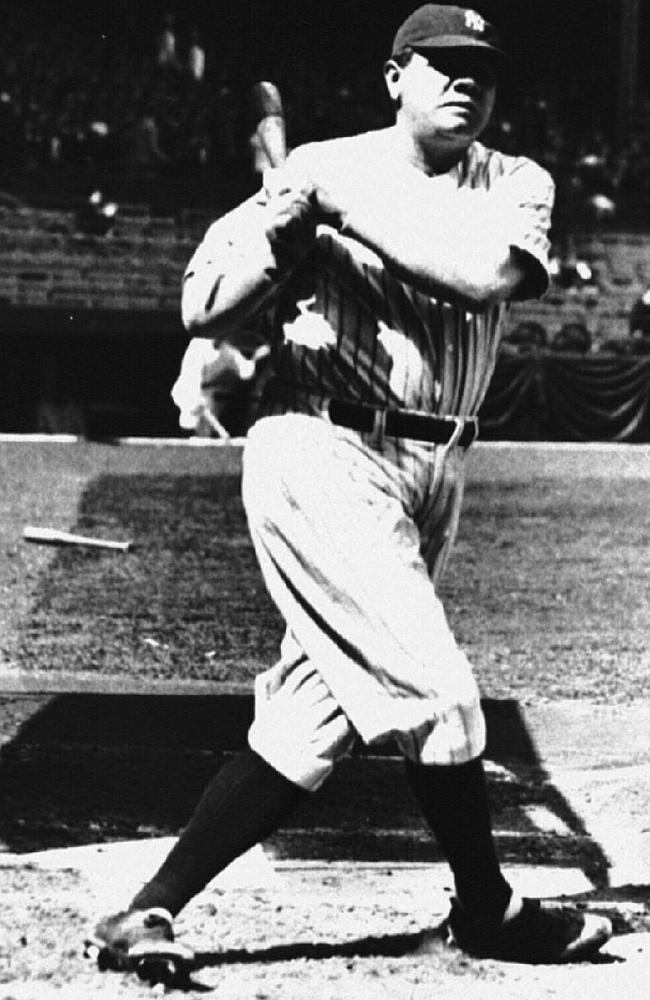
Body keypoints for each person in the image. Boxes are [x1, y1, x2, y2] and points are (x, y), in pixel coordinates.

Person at [87, 4, 612, 981]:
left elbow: (479, 277)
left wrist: (326, 208)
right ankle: (486, 906)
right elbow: (203, 308)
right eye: (441, 65)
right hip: (319, 450)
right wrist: (279, 238)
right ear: (392, 77)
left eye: (481, 71)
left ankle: (143, 912)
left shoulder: (512, 181)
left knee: (307, 722)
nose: (465, 83)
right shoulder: (321, 168)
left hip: (433, 468)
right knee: (440, 696)